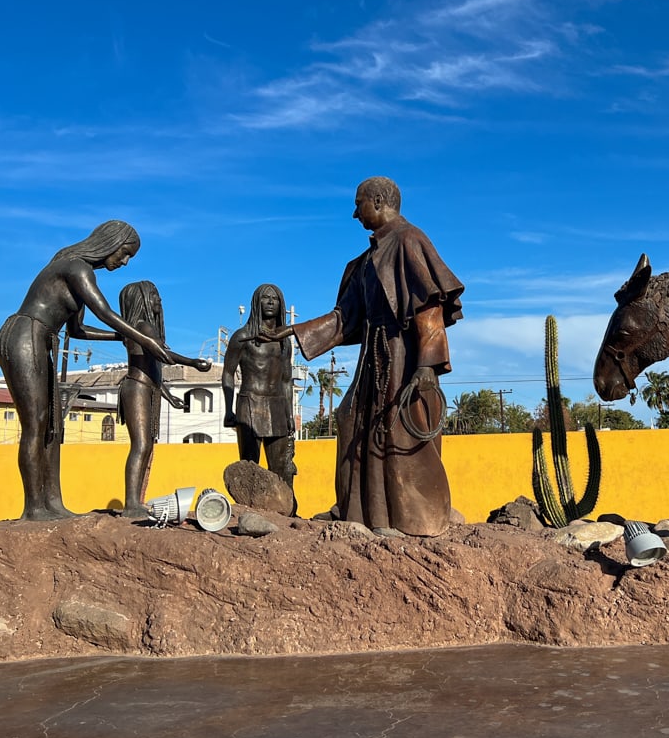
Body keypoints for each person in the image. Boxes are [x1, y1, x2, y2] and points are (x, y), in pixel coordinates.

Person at [262, 177, 463, 536]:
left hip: (403, 354)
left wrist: (428, 366)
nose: (355, 214)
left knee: (397, 432)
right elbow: (345, 318)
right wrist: (292, 330)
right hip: (375, 354)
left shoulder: (408, 240)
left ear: (379, 200)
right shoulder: (368, 258)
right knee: (352, 419)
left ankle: (412, 518)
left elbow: (429, 307)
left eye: (359, 204)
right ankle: (357, 511)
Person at [0, 220, 173, 521]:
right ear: (110, 244)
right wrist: (144, 340)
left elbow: (77, 330)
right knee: (36, 425)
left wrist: (123, 337)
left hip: (39, 339)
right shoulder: (77, 269)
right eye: (124, 253)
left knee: (53, 426)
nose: (124, 262)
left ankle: (53, 503)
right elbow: (105, 313)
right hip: (26, 336)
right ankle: (34, 507)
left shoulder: (75, 270)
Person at [117, 281, 212, 518]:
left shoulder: (137, 328)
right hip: (137, 388)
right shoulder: (143, 327)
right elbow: (163, 355)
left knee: (145, 445)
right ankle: (131, 502)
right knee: (140, 445)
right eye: (154, 295)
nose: (159, 300)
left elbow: (153, 370)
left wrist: (168, 397)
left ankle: (134, 500)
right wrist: (193, 362)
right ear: (142, 300)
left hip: (145, 387)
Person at [222, 284, 298, 510]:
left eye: (275, 298)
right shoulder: (242, 337)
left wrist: (289, 414)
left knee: (282, 467)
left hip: (277, 406)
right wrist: (228, 410)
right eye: (265, 298)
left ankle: (288, 512)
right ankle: (249, 512)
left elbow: (286, 380)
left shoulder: (284, 341)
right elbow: (227, 373)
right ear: (257, 302)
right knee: (249, 467)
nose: (271, 302)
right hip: (249, 404)